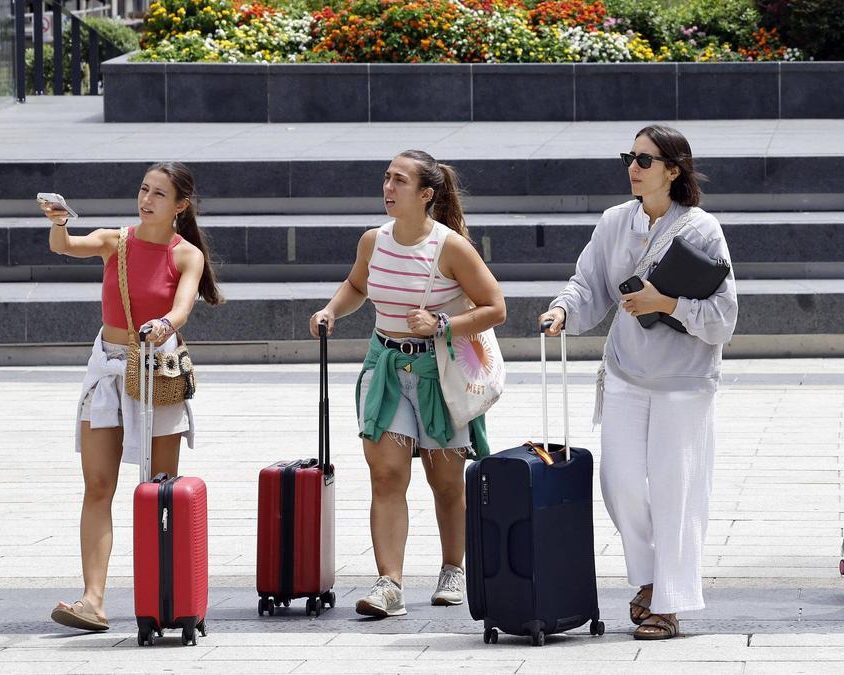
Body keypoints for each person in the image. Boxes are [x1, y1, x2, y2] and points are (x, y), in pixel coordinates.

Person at [537, 125, 737, 639]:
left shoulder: (701, 230)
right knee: (619, 483)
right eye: (630, 157)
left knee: (676, 492)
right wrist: (562, 309)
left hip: (684, 383)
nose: (633, 167)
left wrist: (666, 303)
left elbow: (723, 316)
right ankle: (649, 578)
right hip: (625, 373)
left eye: (645, 160)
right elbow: (589, 283)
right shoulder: (614, 222)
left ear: (673, 170)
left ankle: (667, 602)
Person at [310, 150, 506, 618]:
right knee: (386, 476)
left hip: (439, 374)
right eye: (386, 178)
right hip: (386, 371)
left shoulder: (450, 247)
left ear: (426, 195)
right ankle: (389, 584)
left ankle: (452, 569)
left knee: (445, 483)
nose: (388, 188)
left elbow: (495, 306)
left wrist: (441, 324)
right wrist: (331, 310)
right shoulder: (373, 241)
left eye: (400, 181)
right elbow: (357, 286)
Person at [46, 161, 223, 632]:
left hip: (154, 370)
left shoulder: (186, 254)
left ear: (180, 205)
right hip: (108, 366)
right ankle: (93, 600)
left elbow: (183, 306)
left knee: (159, 486)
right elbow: (66, 246)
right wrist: (60, 221)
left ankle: (165, 595)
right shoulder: (115, 240)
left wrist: (166, 322)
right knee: (98, 485)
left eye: (159, 194)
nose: (147, 200)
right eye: (144, 189)